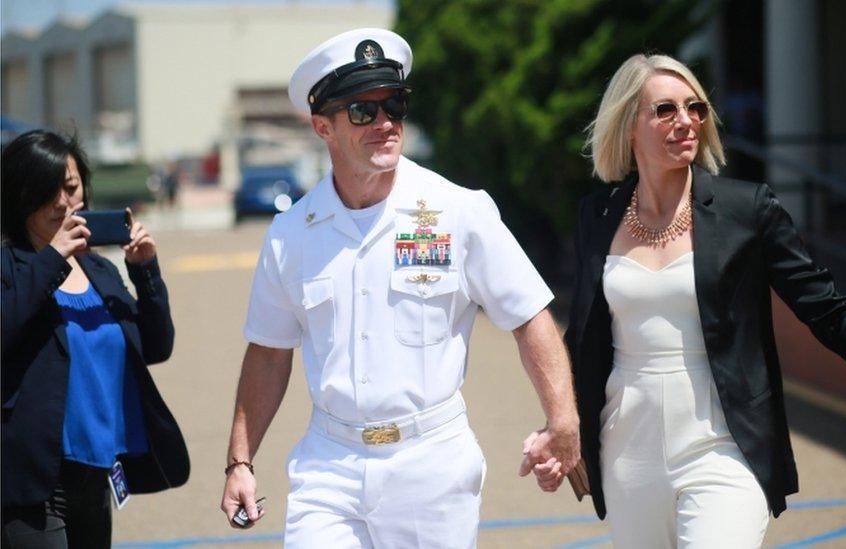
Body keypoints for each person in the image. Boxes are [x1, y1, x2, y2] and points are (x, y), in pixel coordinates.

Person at [531, 54, 846, 548]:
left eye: (695, 107)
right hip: (627, 450)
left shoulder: (747, 208)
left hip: (725, 446)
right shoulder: (596, 215)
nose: (686, 121)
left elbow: (821, 300)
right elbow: (587, 335)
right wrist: (560, 423)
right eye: (665, 109)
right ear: (627, 124)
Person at [218, 28, 580, 547]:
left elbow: (529, 316)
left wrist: (562, 420)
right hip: (329, 463)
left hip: (430, 463)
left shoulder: (459, 210)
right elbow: (269, 352)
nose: (386, 123)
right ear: (323, 126)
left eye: (395, 105)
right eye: (364, 111)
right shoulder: (291, 234)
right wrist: (239, 461)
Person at [1, 130, 189, 548]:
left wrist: (145, 272)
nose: (63, 204)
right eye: (46, 192)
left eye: (70, 188)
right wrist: (52, 257)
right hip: (31, 480)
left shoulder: (100, 271)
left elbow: (156, 347)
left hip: (98, 474)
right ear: (18, 196)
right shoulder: (10, 266)